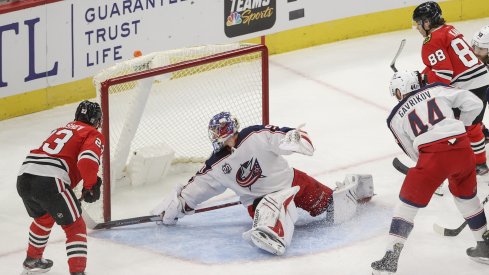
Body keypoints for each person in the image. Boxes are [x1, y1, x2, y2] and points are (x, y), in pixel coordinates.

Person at [151, 112, 374, 256]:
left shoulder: (255, 134)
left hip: (294, 182)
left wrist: (295, 139)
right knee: (273, 208)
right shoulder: (216, 165)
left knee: (330, 205)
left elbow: (286, 136)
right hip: (261, 201)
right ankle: (271, 228)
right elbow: (195, 189)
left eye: (223, 131)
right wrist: (177, 205)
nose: (223, 137)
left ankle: (351, 193)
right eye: (218, 133)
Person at [371, 71, 489, 274]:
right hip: (463, 150)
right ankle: (485, 247)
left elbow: (411, 150)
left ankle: (389, 260)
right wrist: (461, 125)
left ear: (400, 91)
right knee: (467, 198)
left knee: (406, 206)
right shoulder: (437, 89)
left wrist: (429, 169)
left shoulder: (395, 117)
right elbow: (475, 103)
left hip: (432, 158)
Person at [17, 101, 105, 275]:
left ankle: (33, 259)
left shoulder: (60, 129)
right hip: (50, 180)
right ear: (96, 120)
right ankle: (77, 272)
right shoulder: (92, 133)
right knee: (75, 226)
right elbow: (87, 161)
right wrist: (90, 185)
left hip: (24, 177)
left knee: (44, 218)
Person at [412, 1, 489, 175]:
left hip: (467, 85)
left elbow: (444, 75)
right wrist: (421, 75)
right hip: (483, 79)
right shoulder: (449, 29)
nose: (417, 27)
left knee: (450, 125)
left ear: (427, 22)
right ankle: (480, 162)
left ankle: (460, 163)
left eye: (418, 23)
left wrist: (423, 81)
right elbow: (446, 64)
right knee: (473, 124)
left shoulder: (430, 42)